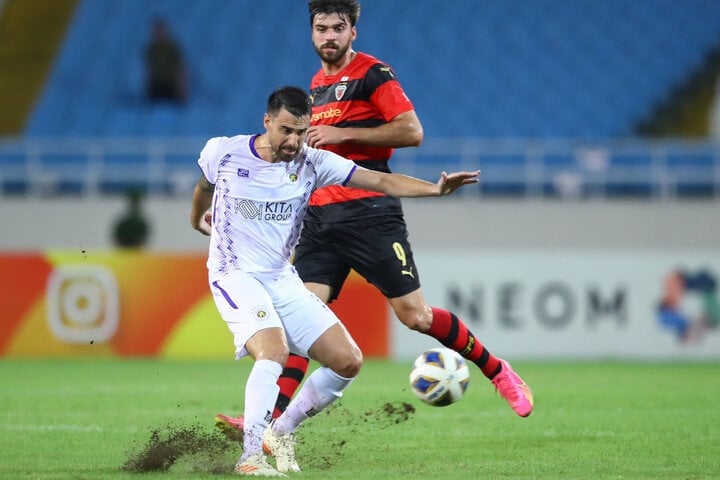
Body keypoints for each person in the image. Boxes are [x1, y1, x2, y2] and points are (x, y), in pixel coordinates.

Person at [215, 0, 533, 441]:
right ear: (312, 33)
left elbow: (411, 131)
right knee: (299, 320)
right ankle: (268, 424)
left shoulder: (372, 74)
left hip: (369, 214)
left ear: (352, 32)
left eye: (338, 28)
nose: (329, 36)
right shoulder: (312, 91)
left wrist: (345, 134)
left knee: (416, 317)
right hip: (318, 220)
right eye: (321, 28)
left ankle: (498, 371)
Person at [191, 85, 479, 476]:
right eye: (286, 130)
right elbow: (205, 186)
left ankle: (281, 431)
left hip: (280, 276)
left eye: (301, 131)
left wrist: (435, 189)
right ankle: (250, 459)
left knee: (347, 361)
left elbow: (381, 183)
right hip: (234, 273)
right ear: (267, 122)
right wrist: (197, 219)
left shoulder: (313, 162)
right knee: (273, 352)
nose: (294, 141)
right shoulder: (223, 151)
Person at [145, 18, 187, 103]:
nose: (159, 34)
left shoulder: (172, 48)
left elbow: (179, 69)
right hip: (156, 85)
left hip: (170, 86)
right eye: (157, 31)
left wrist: (180, 88)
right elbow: (148, 70)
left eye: (161, 31)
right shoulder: (152, 49)